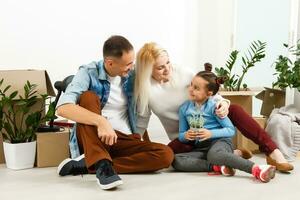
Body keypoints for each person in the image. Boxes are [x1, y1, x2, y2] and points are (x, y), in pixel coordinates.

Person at [134, 42, 293, 172]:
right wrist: (131, 145)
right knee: (169, 159)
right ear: (148, 69)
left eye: (168, 62)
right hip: (186, 137)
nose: (167, 68)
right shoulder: (145, 89)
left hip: (212, 125)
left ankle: (273, 152)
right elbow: (141, 123)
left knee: (235, 110)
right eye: (160, 67)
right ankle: (229, 157)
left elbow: (209, 91)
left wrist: (224, 103)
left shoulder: (183, 72)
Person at [55, 36, 174, 190]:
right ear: (110, 63)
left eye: (132, 62)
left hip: (122, 138)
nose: (132, 68)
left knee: (166, 155)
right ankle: (101, 163)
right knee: (88, 97)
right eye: (128, 64)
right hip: (94, 137)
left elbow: (157, 68)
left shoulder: (131, 75)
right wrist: (101, 122)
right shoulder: (89, 72)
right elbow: (63, 107)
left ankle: (94, 164)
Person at [172, 70, 276, 183]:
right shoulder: (184, 109)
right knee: (177, 160)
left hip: (220, 142)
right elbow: (181, 135)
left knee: (214, 155)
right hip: (202, 147)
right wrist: (186, 135)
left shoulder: (214, 107)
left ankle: (256, 169)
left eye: (196, 88)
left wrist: (211, 133)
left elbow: (230, 130)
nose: (191, 89)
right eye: (191, 85)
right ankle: (219, 167)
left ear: (209, 94)